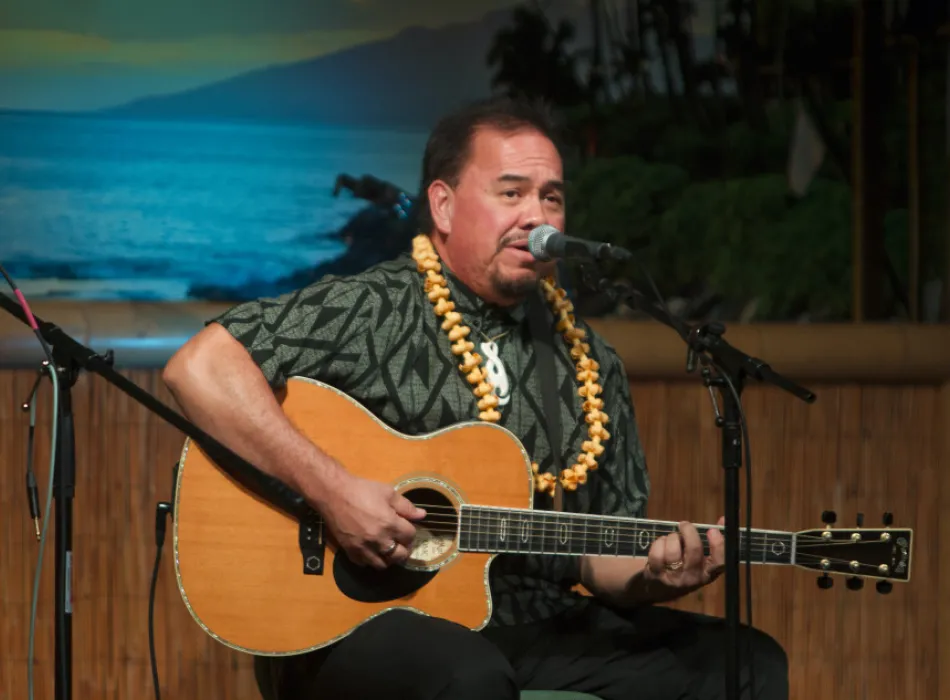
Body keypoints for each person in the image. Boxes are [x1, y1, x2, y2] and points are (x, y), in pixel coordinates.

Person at [162, 97, 789, 700]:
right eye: (511, 193)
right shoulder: (372, 308)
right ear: (443, 204)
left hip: (529, 619)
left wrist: (657, 575)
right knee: (470, 676)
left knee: (744, 666)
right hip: (354, 621)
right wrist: (333, 491)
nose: (536, 216)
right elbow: (200, 367)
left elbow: (598, 558)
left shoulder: (590, 361)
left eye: (551, 197)